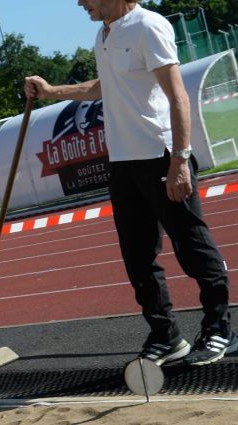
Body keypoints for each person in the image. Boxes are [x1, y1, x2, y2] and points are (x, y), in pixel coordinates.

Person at [24, 0, 234, 366]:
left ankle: (220, 329)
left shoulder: (147, 26)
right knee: (138, 259)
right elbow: (105, 87)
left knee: (194, 248)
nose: (79, 3)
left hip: (159, 155)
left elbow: (177, 95)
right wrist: (51, 91)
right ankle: (166, 336)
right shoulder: (103, 34)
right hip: (122, 162)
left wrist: (180, 160)